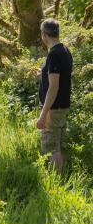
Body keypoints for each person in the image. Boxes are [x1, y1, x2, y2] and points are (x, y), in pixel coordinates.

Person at [37, 19, 73, 172]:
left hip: (54, 107)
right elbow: (60, 77)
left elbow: (53, 87)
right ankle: (62, 177)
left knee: (51, 147)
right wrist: (43, 73)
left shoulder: (54, 54)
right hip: (62, 104)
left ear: (44, 35)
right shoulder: (65, 50)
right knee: (58, 143)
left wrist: (43, 114)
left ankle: (56, 183)